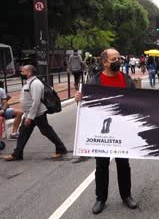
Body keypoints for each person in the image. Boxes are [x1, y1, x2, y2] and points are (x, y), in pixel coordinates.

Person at [74, 48, 138, 214]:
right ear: (104, 62)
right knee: (101, 165)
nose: (118, 61)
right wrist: (79, 99)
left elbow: (137, 102)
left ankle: (126, 195)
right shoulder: (94, 82)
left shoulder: (126, 80)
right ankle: (100, 198)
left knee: (124, 164)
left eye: (119, 58)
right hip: (102, 132)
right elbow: (85, 107)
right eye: (113, 59)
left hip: (122, 130)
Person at [4, 65, 68, 161]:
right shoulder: (29, 83)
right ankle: (17, 154)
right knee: (23, 133)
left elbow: (36, 101)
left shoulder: (35, 84)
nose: (21, 73)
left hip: (37, 114)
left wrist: (30, 117)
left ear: (29, 73)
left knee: (46, 131)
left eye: (23, 71)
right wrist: (27, 115)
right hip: (30, 113)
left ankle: (61, 148)